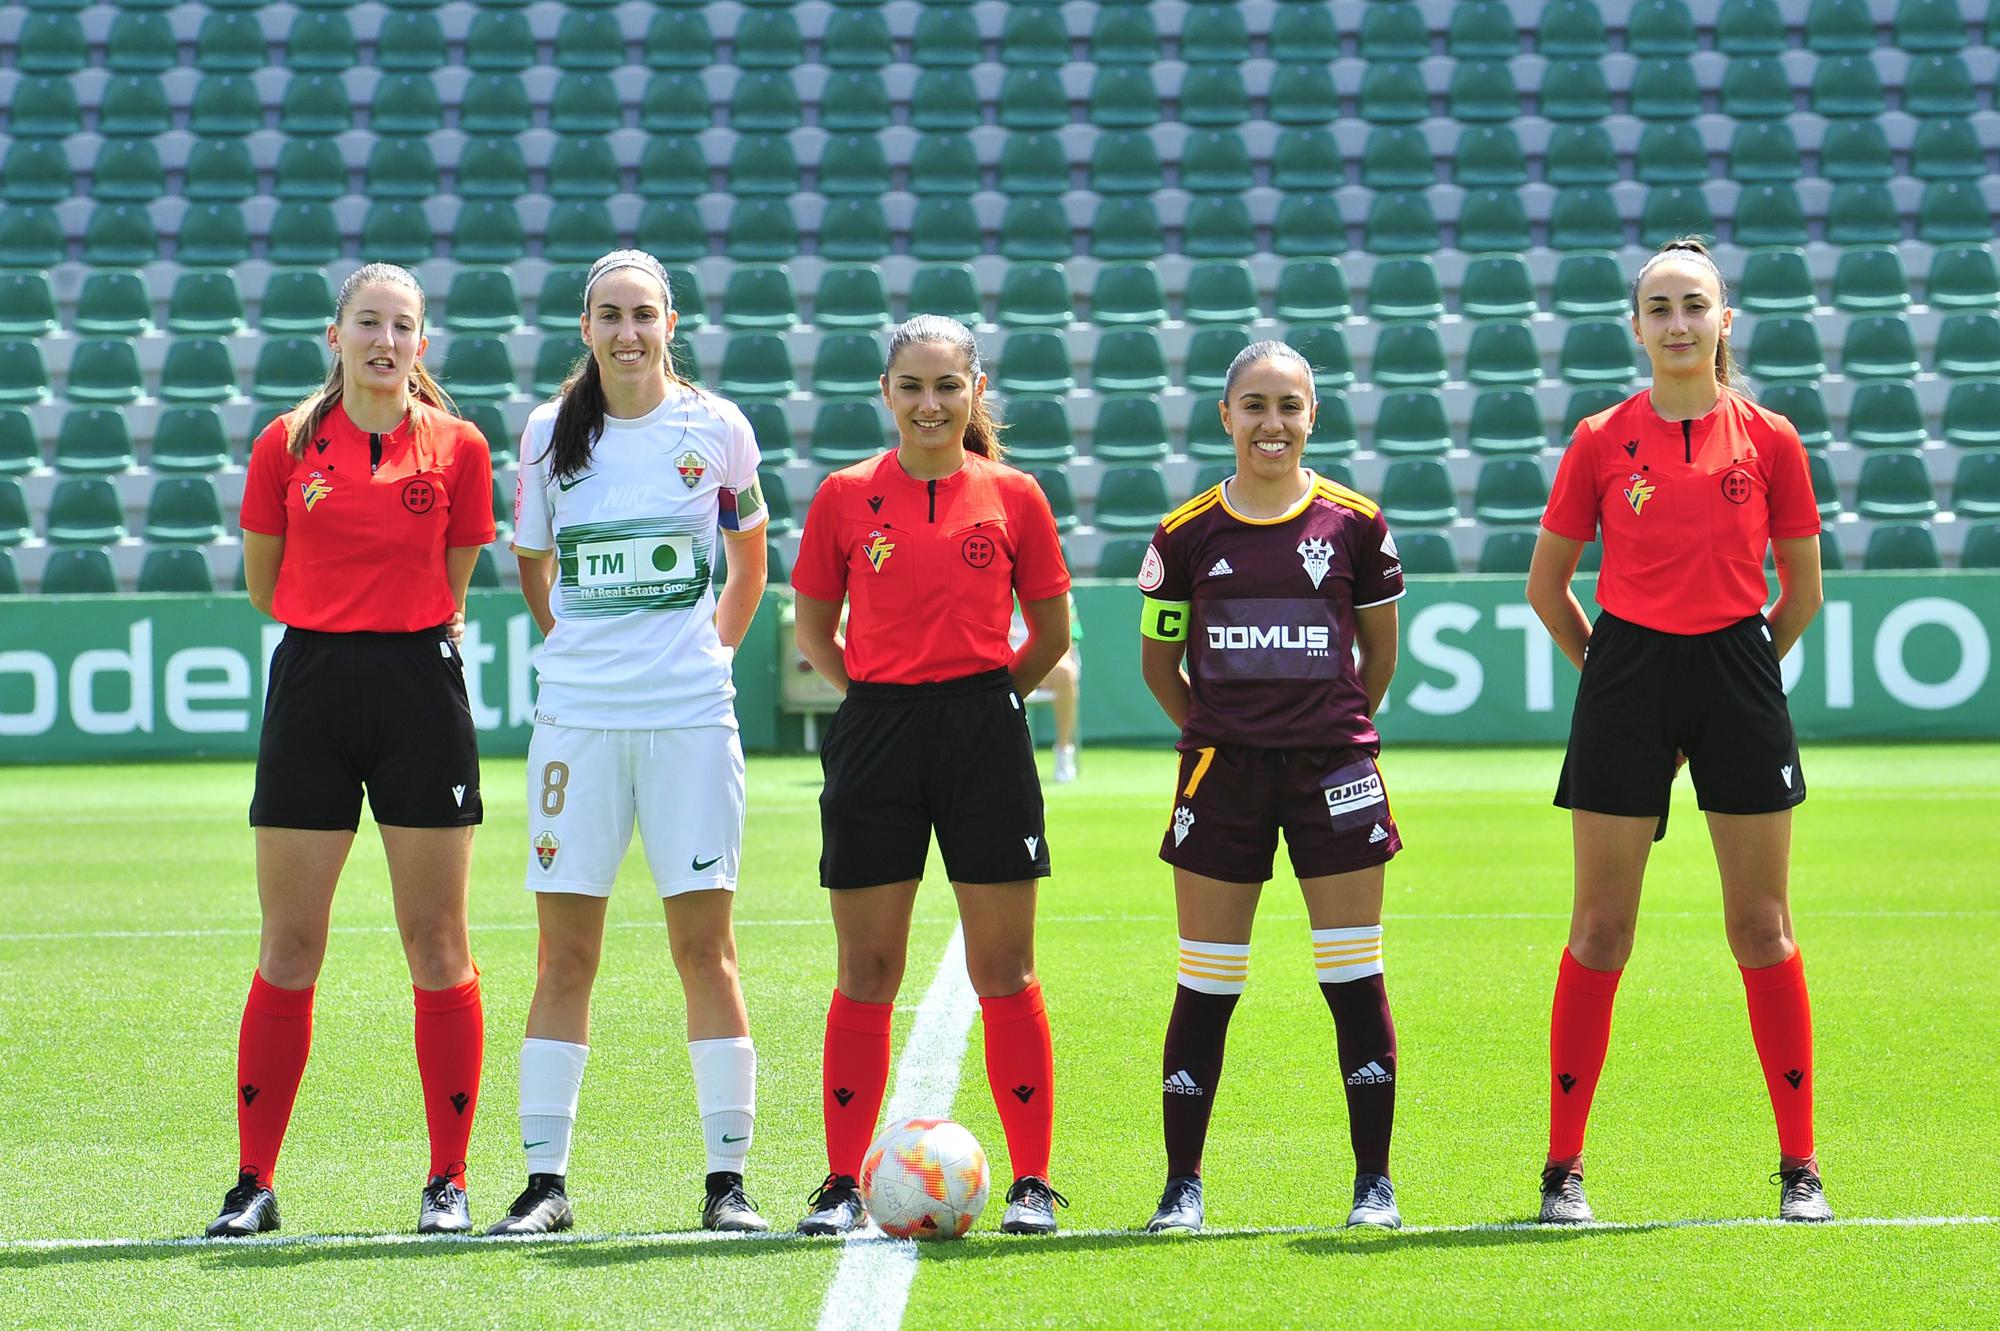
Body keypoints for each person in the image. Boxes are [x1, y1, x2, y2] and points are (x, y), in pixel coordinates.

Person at [1526, 237, 1829, 1224]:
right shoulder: (1597, 437)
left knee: (1759, 925)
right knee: (1599, 929)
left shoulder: (1771, 439)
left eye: (1692, 304)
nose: (1675, 322)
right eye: (1656, 307)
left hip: (1737, 670)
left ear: (1723, 320)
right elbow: (1547, 588)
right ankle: (1561, 1168)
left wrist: (1732, 682)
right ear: (1635, 326)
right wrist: (1620, 689)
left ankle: (1798, 1167)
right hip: (1625, 673)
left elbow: (1799, 593)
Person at [487, 251, 772, 1237]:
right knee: (565, 954)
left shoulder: (717, 427)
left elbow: (748, 550)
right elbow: (533, 562)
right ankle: (542, 1180)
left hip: (690, 720)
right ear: (585, 326)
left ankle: (726, 1179)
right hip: (578, 724)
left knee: (706, 948)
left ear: (669, 321)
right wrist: (576, 657)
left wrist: (712, 654)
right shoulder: (541, 436)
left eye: (642, 314)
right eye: (609, 315)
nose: (626, 332)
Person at [211, 263, 495, 1237]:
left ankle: (446, 1180)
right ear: (333, 338)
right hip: (313, 691)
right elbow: (264, 583)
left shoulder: (459, 446)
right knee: (289, 943)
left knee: (437, 940)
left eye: (402, 325)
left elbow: (451, 580)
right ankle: (253, 1181)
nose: (385, 339)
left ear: (423, 344)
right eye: (367, 322)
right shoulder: (284, 444)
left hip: (420, 691)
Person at [791, 316, 1073, 1236]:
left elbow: (1053, 636)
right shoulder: (841, 496)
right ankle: (839, 1181)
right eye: (912, 386)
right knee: (867, 965)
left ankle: (1033, 1179)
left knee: (1005, 964)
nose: (930, 404)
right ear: (887, 392)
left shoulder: (1015, 494)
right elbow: (812, 631)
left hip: (985, 730)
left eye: (947, 386)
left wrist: (989, 700)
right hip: (876, 732)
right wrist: (876, 697)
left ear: (974, 390)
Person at [1136, 341, 1407, 1235]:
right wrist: (1222, 730)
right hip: (1223, 772)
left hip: (1335, 770)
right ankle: (1183, 1186)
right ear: (1226, 416)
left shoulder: (1357, 524)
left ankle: (1374, 1184)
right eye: (1254, 405)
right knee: (1207, 981)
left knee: (1353, 975)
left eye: (1289, 405)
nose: (1272, 424)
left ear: (1313, 415)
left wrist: (1323, 729)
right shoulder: (1183, 535)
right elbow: (1159, 664)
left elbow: (1380, 658)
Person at [1010, 592, 1083, 782]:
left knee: (1065, 673)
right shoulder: (993, 593)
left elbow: (1064, 646)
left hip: (1044, 663)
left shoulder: (1061, 598)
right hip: (1004, 663)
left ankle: (1064, 752)